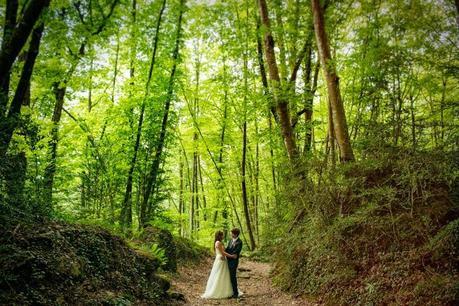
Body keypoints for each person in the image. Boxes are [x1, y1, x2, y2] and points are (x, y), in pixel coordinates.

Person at [201, 230, 237, 299]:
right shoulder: (218, 242)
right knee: (219, 274)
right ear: (219, 236)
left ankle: (225, 290)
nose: (223, 236)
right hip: (220, 260)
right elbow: (223, 253)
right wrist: (232, 256)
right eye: (222, 235)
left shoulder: (220, 242)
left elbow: (223, 252)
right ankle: (217, 291)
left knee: (224, 275)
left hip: (223, 259)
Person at [225, 228, 243, 298]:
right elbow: (228, 249)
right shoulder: (230, 240)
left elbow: (236, 252)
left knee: (233, 277)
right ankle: (230, 291)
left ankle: (235, 293)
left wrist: (228, 255)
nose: (230, 234)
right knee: (228, 277)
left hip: (233, 262)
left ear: (235, 234)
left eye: (232, 233)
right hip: (228, 260)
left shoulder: (239, 242)